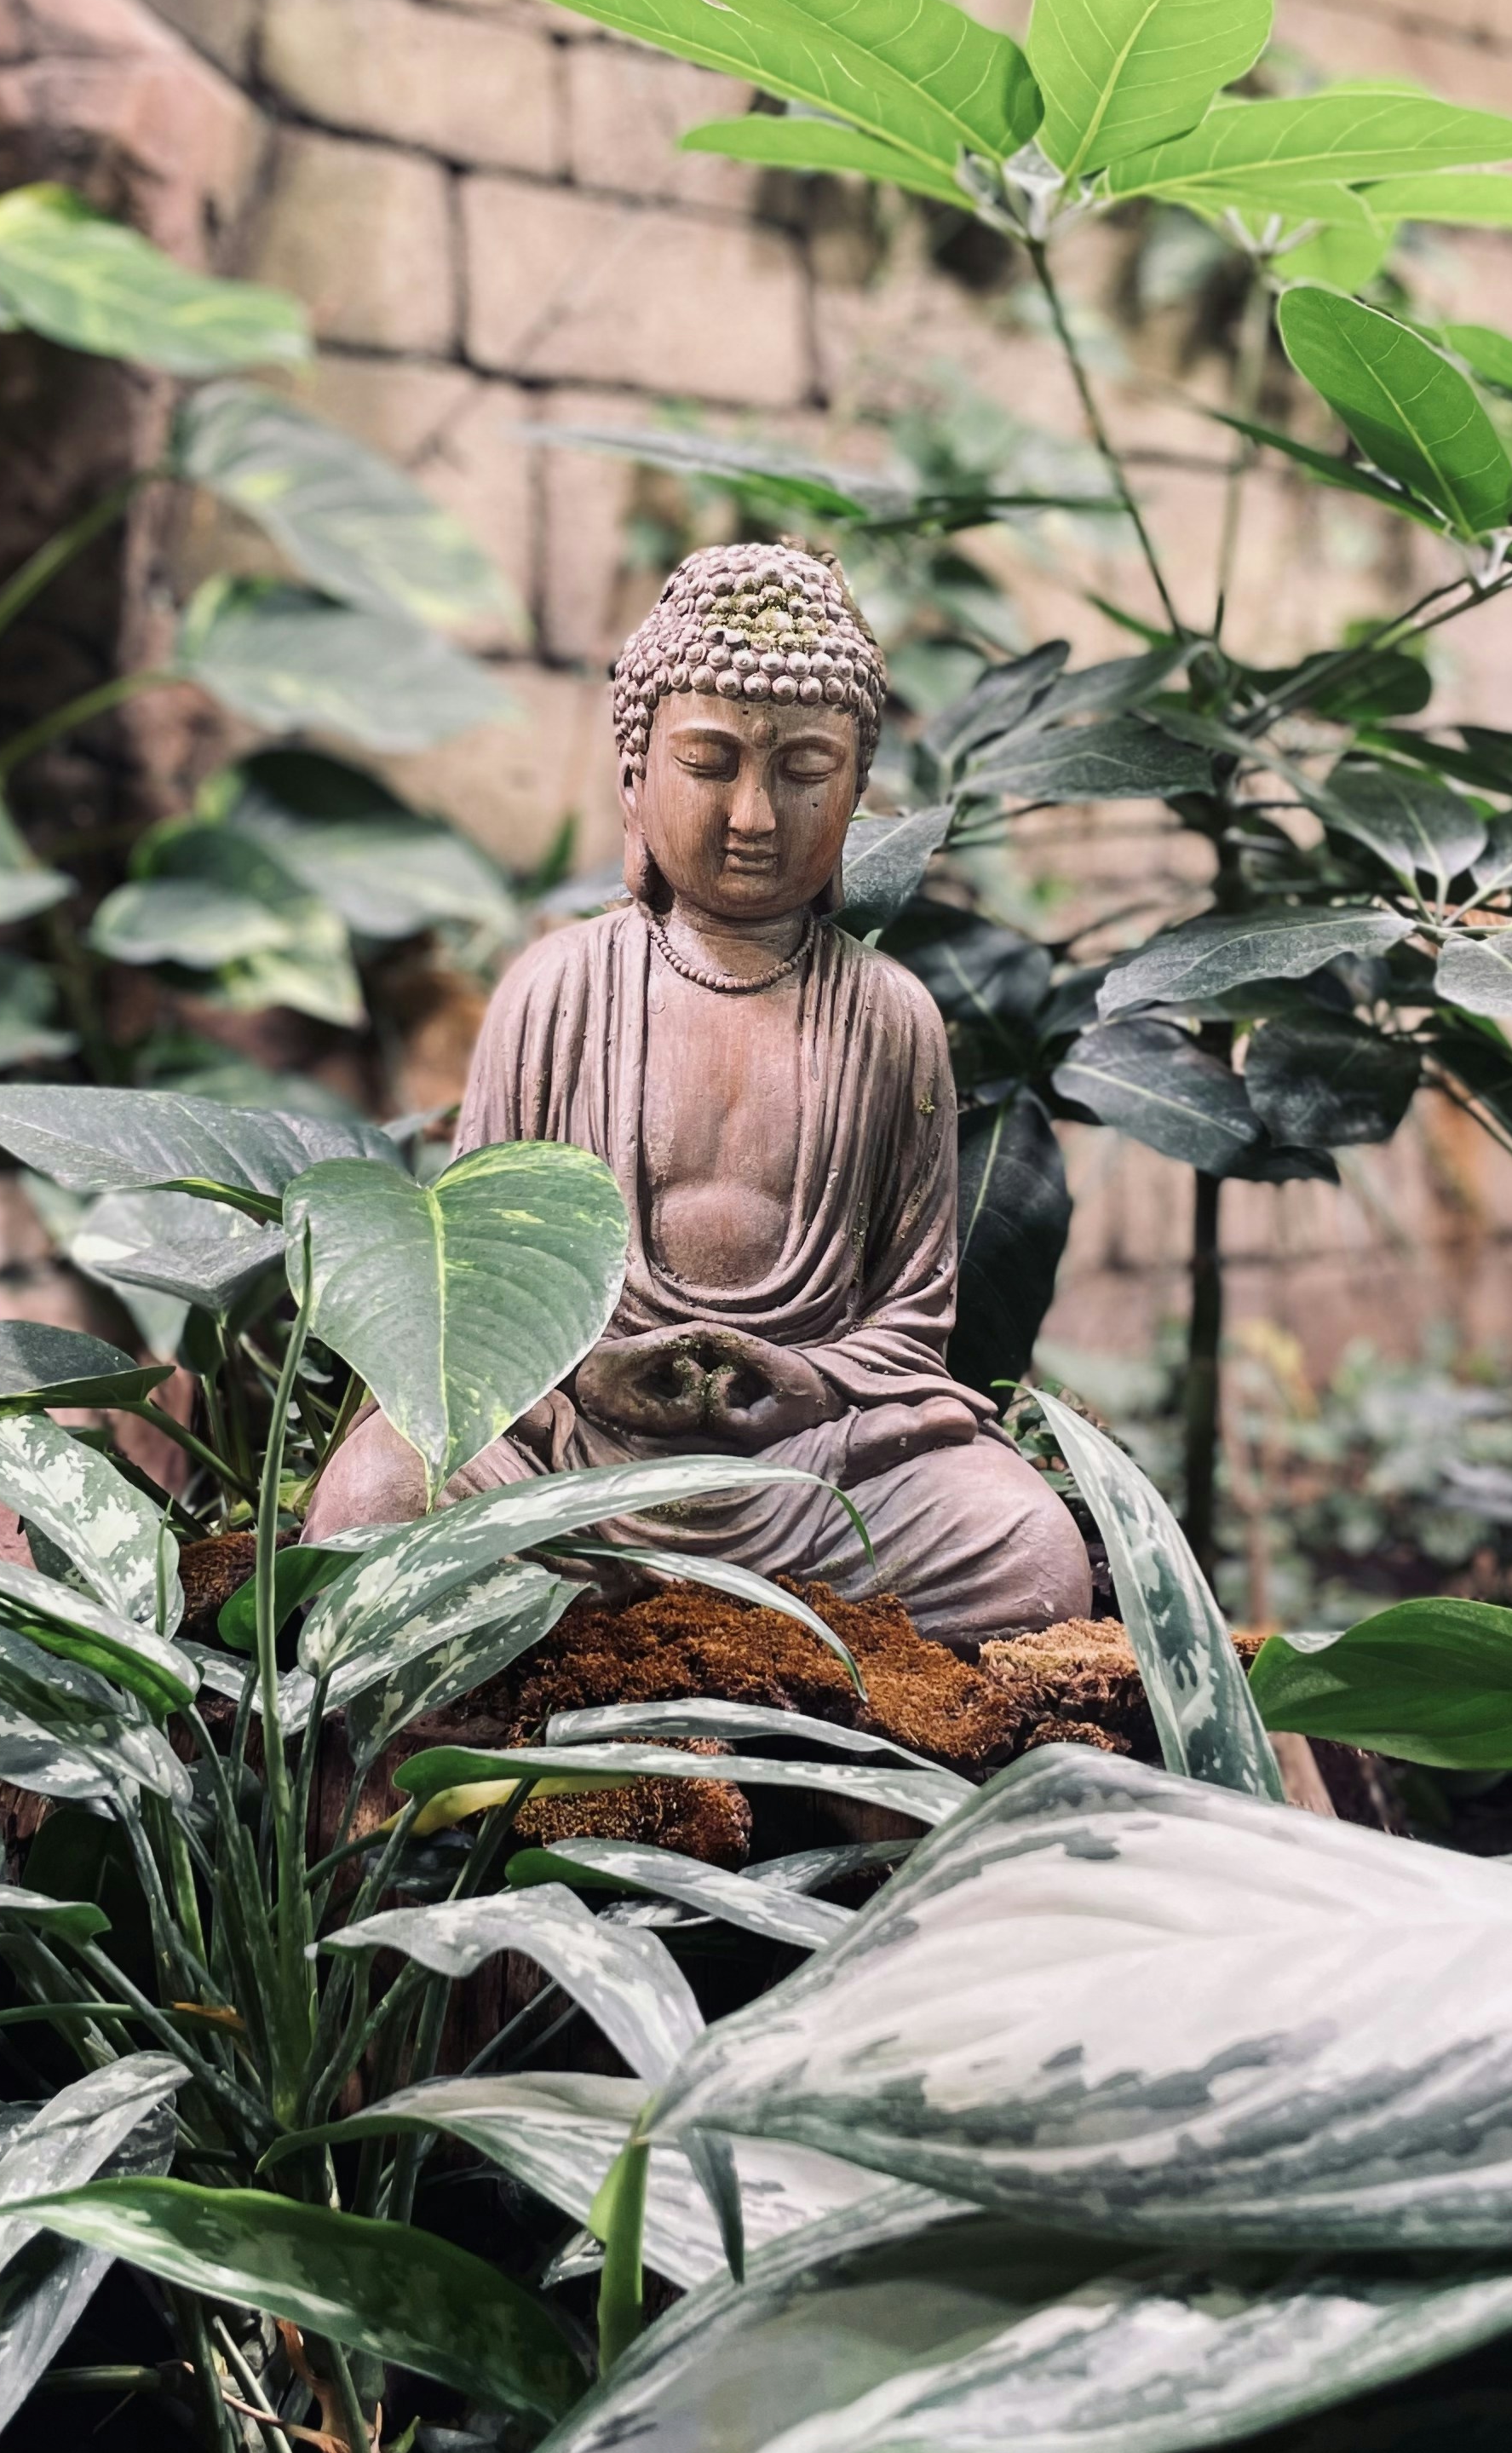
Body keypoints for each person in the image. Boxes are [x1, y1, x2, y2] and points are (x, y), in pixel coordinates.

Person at [302, 540, 1091, 1650]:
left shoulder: (892, 1016)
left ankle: (724, 1658)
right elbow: (469, 1298)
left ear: (856, 793)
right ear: (637, 778)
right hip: (573, 1460)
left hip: (801, 1480)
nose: (756, 817)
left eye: (805, 771)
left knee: (1028, 1549)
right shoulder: (557, 990)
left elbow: (913, 1314)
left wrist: (810, 1382)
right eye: (711, 764)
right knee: (372, 1502)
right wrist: (588, 1372)